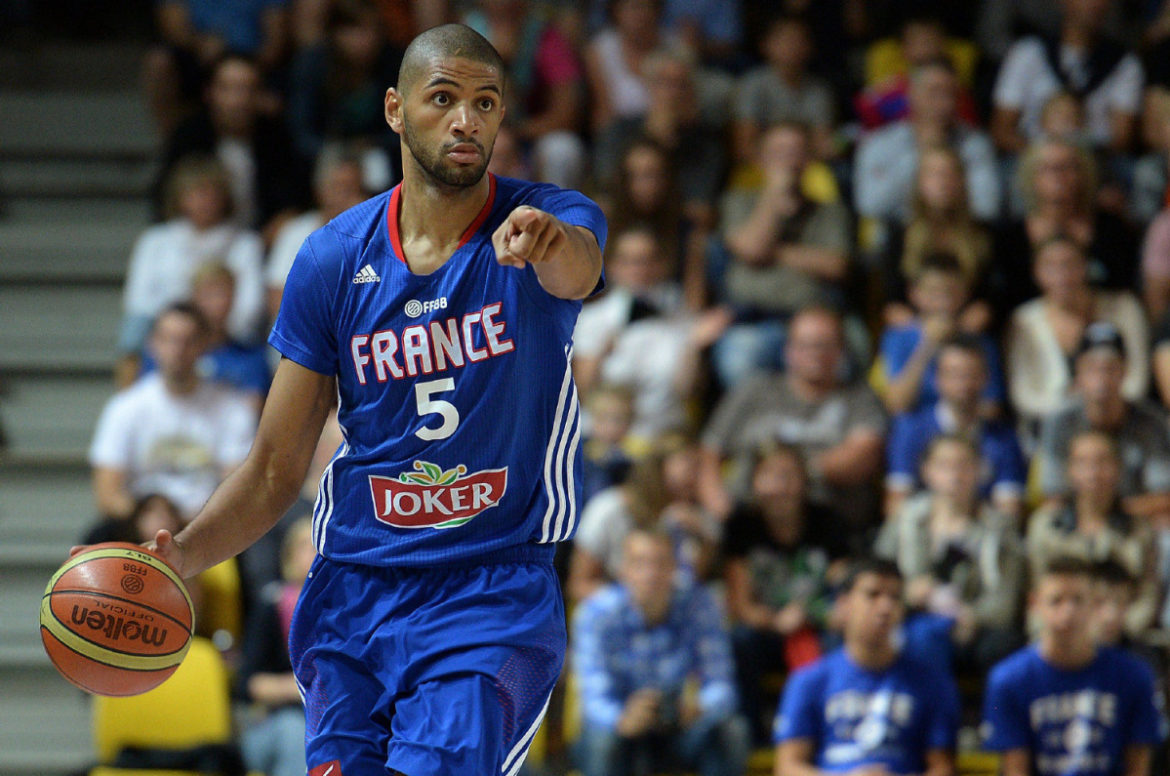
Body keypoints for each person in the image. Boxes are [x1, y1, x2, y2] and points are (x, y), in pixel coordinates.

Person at [121, 25, 606, 776]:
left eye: (485, 103)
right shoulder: (333, 256)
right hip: (353, 590)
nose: (465, 120)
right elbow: (279, 465)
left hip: (490, 590)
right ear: (394, 109)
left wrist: (549, 244)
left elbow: (580, 271)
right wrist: (183, 554)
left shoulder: (544, 219)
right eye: (443, 98)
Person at [571, 528, 749, 776]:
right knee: (602, 741)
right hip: (621, 728)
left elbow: (721, 684)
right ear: (622, 570)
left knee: (731, 730)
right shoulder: (596, 614)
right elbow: (593, 699)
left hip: (680, 726)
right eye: (640, 563)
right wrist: (623, 719)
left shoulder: (699, 604)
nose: (651, 574)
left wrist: (699, 707)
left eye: (660, 563)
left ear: (675, 568)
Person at [699, 305, 887, 536]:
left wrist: (786, 476)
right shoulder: (754, 389)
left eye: (824, 345)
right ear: (788, 350)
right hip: (748, 522)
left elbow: (861, 456)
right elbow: (710, 449)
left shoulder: (860, 398)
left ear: (841, 351)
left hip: (829, 528)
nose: (815, 353)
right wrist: (719, 505)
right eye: (805, 345)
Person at [773, 558, 960, 776]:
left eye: (894, 597)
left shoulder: (932, 683)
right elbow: (787, 767)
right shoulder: (808, 681)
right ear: (844, 604)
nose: (886, 607)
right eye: (873, 595)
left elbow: (943, 767)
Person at [982, 556, 1165, 776]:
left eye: (1078, 600)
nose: (1068, 612)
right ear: (1034, 604)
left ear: (1094, 605)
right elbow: (1015, 769)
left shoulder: (1135, 676)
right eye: (1056, 600)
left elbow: (1138, 767)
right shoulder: (1008, 680)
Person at [88, 303, 258, 534]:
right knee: (96, 536)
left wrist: (179, 523)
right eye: (169, 339)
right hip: (137, 526)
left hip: (207, 529)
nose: (178, 350)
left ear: (205, 345)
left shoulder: (232, 409)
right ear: (152, 344)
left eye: (187, 340)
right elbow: (107, 494)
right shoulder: (125, 407)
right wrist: (150, 520)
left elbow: (237, 490)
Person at [721, 443, 849, 746]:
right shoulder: (741, 526)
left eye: (789, 475)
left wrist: (815, 614)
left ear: (804, 481)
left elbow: (844, 590)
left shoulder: (828, 521)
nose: (781, 485)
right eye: (771, 475)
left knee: (841, 644)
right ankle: (752, 735)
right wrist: (776, 621)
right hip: (768, 626)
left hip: (819, 623)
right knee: (740, 640)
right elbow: (741, 605)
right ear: (754, 481)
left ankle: (833, 734)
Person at [713, 121, 854, 389]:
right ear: (760, 160)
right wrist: (774, 194)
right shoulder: (738, 201)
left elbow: (836, 265)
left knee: (845, 363)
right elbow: (753, 249)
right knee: (737, 361)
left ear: (809, 160)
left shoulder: (830, 211)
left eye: (796, 151)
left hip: (812, 323)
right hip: (751, 322)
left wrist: (773, 252)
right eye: (779, 152)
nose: (788, 160)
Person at [876, 434, 1025, 674]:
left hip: (974, 627)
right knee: (913, 637)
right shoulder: (905, 518)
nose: (955, 475)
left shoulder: (1000, 528)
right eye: (944, 465)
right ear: (926, 471)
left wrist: (971, 617)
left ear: (980, 471)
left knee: (1001, 647)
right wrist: (907, 593)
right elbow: (877, 575)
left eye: (964, 465)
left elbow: (1004, 601)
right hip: (912, 617)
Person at [119, 154, 267, 383]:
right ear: (179, 198)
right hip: (168, 336)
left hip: (227, 336)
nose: (204, 200)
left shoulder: (246, 243)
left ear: (225, 197)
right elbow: (139, 303)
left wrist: (209, 332)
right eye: (195, 193)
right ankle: (128, 397)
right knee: (134, 331)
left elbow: (250, 309)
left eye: (211, 193)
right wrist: (178, 331)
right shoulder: (155, 240)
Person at [1006, 236, 1149, 435]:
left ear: (1086, 265)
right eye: (1050, 265)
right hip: (1046, 432)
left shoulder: (1124, 308)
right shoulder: (1024, 321)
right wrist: (1078, 405)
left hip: (1121, 427)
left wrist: (1098, 403)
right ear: (1036, 272)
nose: (1062, 274)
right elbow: (1024, 397)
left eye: (1069, 264)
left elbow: (1136, 384)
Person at [1027, 430, 1161, 637]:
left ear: (1118, 469)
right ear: (1069, 470)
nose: (1093, 471)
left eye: (1102, 462)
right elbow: (1036, 591)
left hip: (1120, 637)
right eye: (1083, 462)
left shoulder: (1140, 530)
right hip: (1059, 634)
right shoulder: (1045, 525)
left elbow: (1148, 596)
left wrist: (1121, 628)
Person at [1033, 322, 1170, 520]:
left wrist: (1111, 516)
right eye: (1092, 368)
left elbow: (1163, 496)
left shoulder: (1151, 421)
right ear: (1078, 372)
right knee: (1045, 521)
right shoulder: (1059, 421)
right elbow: (1053, 495)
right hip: (1076, 522)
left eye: (1110, 368)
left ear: (1125, 371)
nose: (1102, 378)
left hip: (1135, 521)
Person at [885, 335, 1026, 518]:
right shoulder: (910, 430)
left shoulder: (1004, 439)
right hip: (924, 532)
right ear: (937, 379)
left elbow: (1009, 510)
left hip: (980, 535)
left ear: (986, 378)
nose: (963, 383)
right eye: (954, 374)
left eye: (971, 374)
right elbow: (897, 503)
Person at [854, 57, 1001, 226]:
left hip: (958, 235)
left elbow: (987, 208)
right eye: (934, 92)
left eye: (951, 94)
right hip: (897, 238)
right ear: (912, 94)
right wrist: (920, 154)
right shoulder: (879, 143)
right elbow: (869, 205)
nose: (945, 104)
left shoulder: (975, 144)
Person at [990, 0, 1145, 154]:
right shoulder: (1027, 52)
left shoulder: (1124, 63)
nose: (1095, 4)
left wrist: (1077, 161)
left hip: (1097, 162)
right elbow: (1002, 131)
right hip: (1030, 158)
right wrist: (1049, 159)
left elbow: (1120, 140)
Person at [875, 251, 1006, 419]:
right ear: (914, 293)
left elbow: (992, 406)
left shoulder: (979, 339)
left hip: (968, 427)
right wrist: (928, 345)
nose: (944, 301)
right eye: (934, 291)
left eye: (951, 291)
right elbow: (897, 403)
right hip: (915, 427)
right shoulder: (898, 337)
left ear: (966, 293)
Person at [236, 518, 314, 776]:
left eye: (319, 542)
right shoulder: (271, 606)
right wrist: (299, 689)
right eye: (305, 544)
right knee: (295, 734)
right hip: (274, 723)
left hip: (327, 719)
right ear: (289, 556)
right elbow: (247, 684)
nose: (314, 548)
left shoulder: (347, 607)